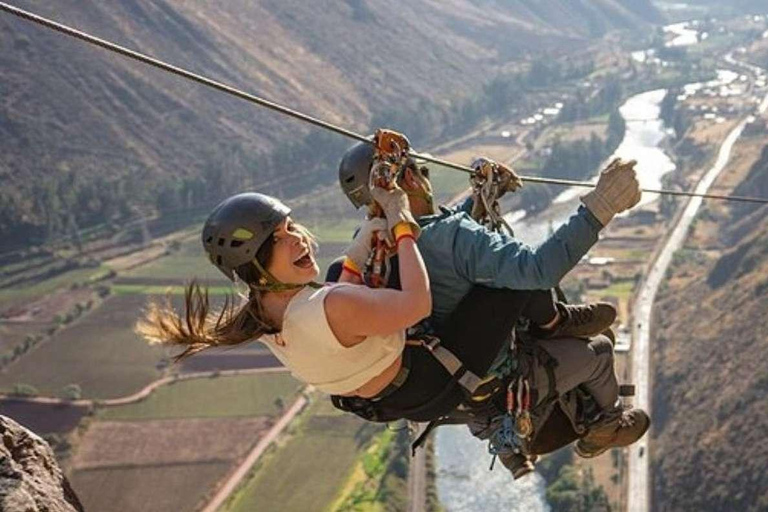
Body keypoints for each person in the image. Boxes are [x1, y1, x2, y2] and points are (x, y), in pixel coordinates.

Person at [336, 136, 650, 471]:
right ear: (411, 179)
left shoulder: (377, 250)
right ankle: (605, 427)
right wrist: (601, 206)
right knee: (601, 350)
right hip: (506, 381)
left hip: (458, 384)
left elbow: (437, 243)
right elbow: (537, 268)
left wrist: (481, 198)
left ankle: (554, 344)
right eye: (421, 171)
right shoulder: (452, 237)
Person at [136, 189, 433, 400]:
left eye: (290, 227)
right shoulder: (334, 305)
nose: (297, 238)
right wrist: (402, 224)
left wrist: (360, 251)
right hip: (422, 379)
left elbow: (334, 316)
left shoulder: (260, 314)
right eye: (278, 239)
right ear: (257, 263)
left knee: (340, 266)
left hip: (370, 393)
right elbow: (418, 304)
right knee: (445, 265)